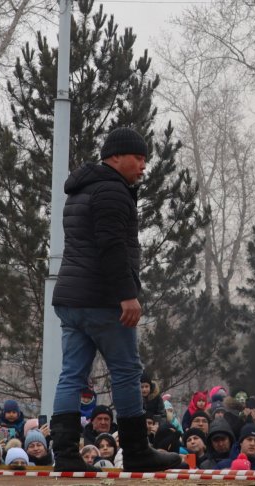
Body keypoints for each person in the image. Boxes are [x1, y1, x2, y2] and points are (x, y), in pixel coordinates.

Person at [49, 127, 182, 472]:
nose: (143, 165)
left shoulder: (80, 190)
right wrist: (127, 295)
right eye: (138, 158)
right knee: (125, 372)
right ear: (116, 156)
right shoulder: (112, 191)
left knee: (71, 375)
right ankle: (138, 451)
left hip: (71, 298)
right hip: (103, 300)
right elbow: (111, 247)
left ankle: (65, 455)